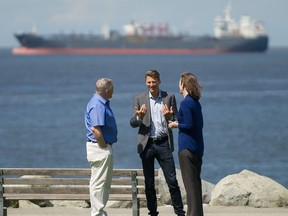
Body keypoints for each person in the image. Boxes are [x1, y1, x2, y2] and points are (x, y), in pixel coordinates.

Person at [130, 70, 185, 216]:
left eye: (154, 82)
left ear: (159, 82)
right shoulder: (139, 98)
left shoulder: (169, 97)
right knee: (149, 183)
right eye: (149, 82)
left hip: (163, 144)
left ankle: (180, 213)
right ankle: (152, 212)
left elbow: (177, 121)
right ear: (146, 83)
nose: (151, 85)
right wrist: (139, 117)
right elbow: (133, 123)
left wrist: (169, 117)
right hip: (147, 144)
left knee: (172, 180)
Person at [168, 72, 204, 216]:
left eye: (179, 82)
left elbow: (188, 124)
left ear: (183, 84)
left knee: (190, 186)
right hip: (197, 148)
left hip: (187, 149)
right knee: (195, 184)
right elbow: (193, 123)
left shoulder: (186, 102)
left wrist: (175, 125)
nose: (178, 85)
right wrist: (175, 116)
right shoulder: (195, 103)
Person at [85, 78, 117, 216]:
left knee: (102, 182)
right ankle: (97, 213)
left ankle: (99, 212)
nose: (114, 90)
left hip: (100, 147)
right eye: (112, 88)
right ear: (107, 90)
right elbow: (96, 130)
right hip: (100, 147)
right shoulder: (98, 104)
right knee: (99, 183)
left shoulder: (99, 102)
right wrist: (103, 145)